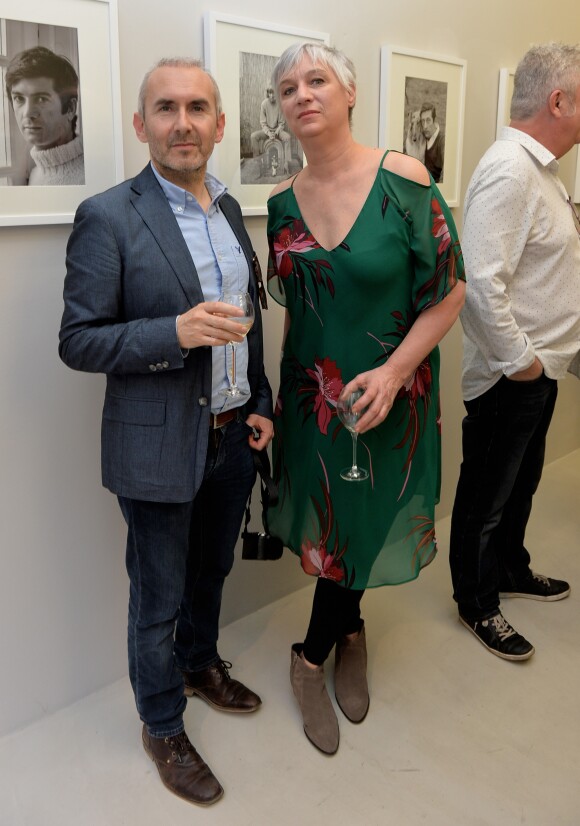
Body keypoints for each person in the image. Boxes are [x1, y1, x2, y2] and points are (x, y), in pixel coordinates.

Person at [59, 57, 273, 806]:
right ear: (141, 123)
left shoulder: (230, 207)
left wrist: (262, 400)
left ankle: (200, 662)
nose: (183, 122)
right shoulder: (109, 215)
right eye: (166, 108)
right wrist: (172, 333)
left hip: (231, 436)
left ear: (219, 122)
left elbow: (250, 319)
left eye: (198, 107)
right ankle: (162, 722)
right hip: (155, 443)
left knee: (212, 572)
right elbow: (78, 341)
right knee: (157, 595)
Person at [266, 43, 465, 755]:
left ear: (348, 93)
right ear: (281, 109)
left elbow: (448, 293)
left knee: (366, 518)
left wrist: (390, 373)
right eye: (288, 87)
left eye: (317, 80)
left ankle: (308, 656)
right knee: (331, 525)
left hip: (391, 391)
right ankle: (348, 632)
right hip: (313, 394)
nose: (303, 94)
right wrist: (283, 405)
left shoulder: (404, 180)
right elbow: (297, 310)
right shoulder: (280, 203)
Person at [449, 43, 580, 662]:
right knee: (487, 495)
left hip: (539, 369)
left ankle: (510, 569)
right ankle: (477, 603)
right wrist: (523, 364)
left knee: (521, 484)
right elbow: (478, 283)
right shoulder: (511, 170)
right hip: (514, 374)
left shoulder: (542, 171)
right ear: (559, 100)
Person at [5, 45, 85, 185]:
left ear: (70, 108)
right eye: (19, 98)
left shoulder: (88, 175)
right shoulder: (36, 175)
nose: (28, 113)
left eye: (41, 99)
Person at [250, 86, 291, 172]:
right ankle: (258, 163)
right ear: (268, 94)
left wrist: (276, 132)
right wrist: (269, 133)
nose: (272, 95)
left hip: (277, 131)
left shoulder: (280, 104)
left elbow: (281, 123)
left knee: (287, 137)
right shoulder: (264, 104)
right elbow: (263, 123)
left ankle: (286, 163)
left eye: (274, 93)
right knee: (253, 136)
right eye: (270, 93)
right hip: (267, 132)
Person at [420, 102, 444, 183]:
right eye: (422, 121)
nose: (425, 126)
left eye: (428, 120)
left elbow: (446, 173)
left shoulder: (442, 140)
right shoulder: (421, 137)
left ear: (434, 120)